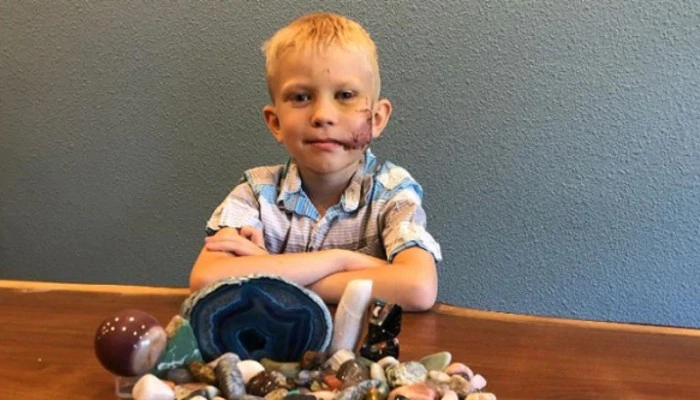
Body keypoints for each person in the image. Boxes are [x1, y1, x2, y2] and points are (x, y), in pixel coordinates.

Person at [189, 12, 442, 311]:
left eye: (345, 95)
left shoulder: (391, 192)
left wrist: (269, 271)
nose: (323, 115)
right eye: (301, 97)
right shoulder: (256, 193)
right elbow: (207, 278)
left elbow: (418, 288)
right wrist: (341, 260)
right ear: (275, 122)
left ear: (376, 119)